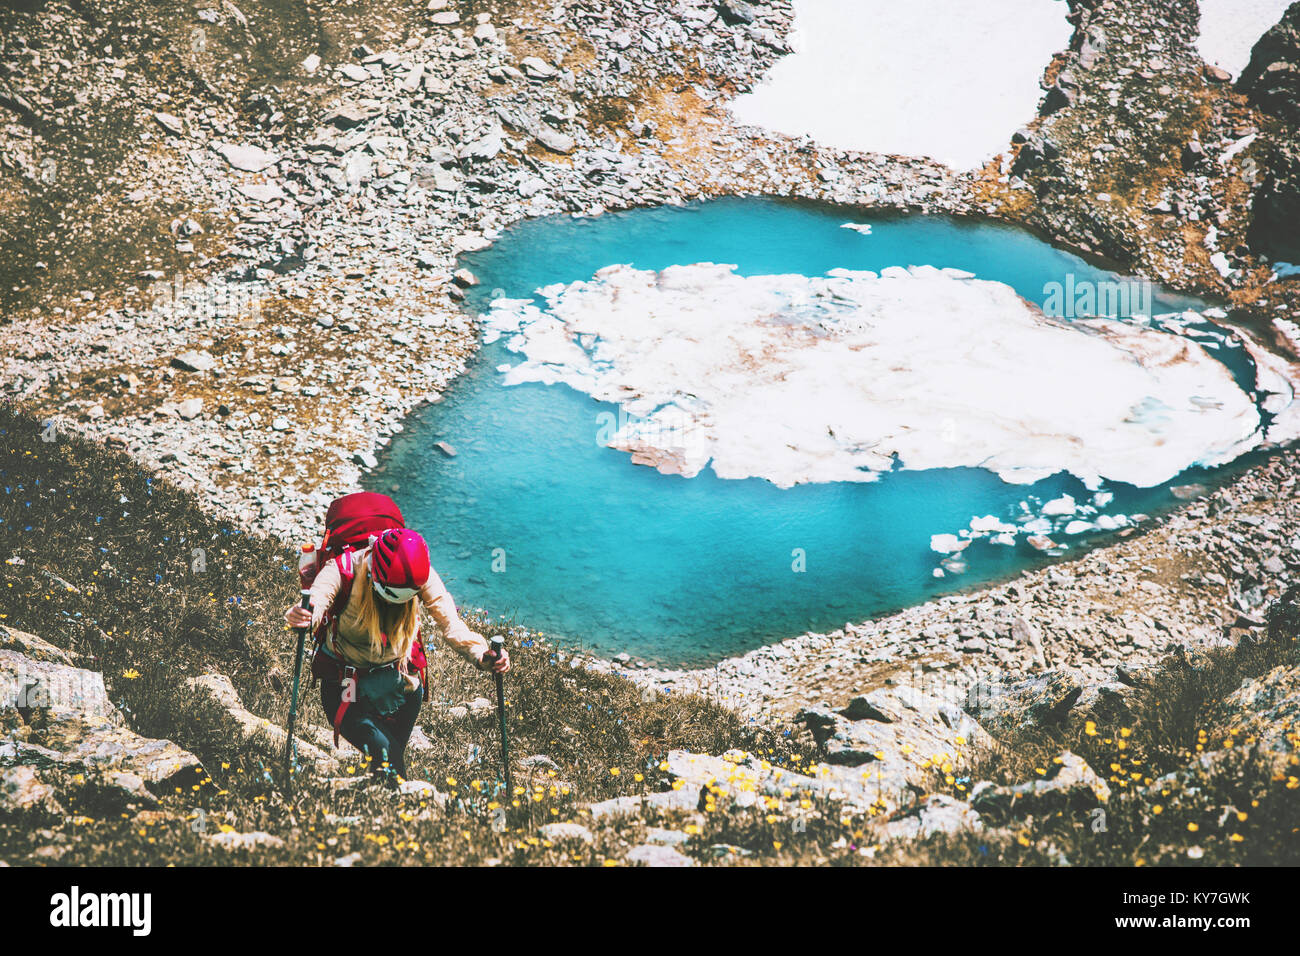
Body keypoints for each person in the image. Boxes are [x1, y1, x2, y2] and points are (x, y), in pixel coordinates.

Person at [284, 528, 508, 782]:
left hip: (403, 688)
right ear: (373, 574)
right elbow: (318, 599)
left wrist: (482, 654)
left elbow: (451, 623)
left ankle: (377, 805)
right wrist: (303, 616)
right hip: (347, 687)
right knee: (388, 756)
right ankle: (403, 811)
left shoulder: (421, 575)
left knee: (388, 761)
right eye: (389, 596)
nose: (395, 606)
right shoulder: (343, 569)